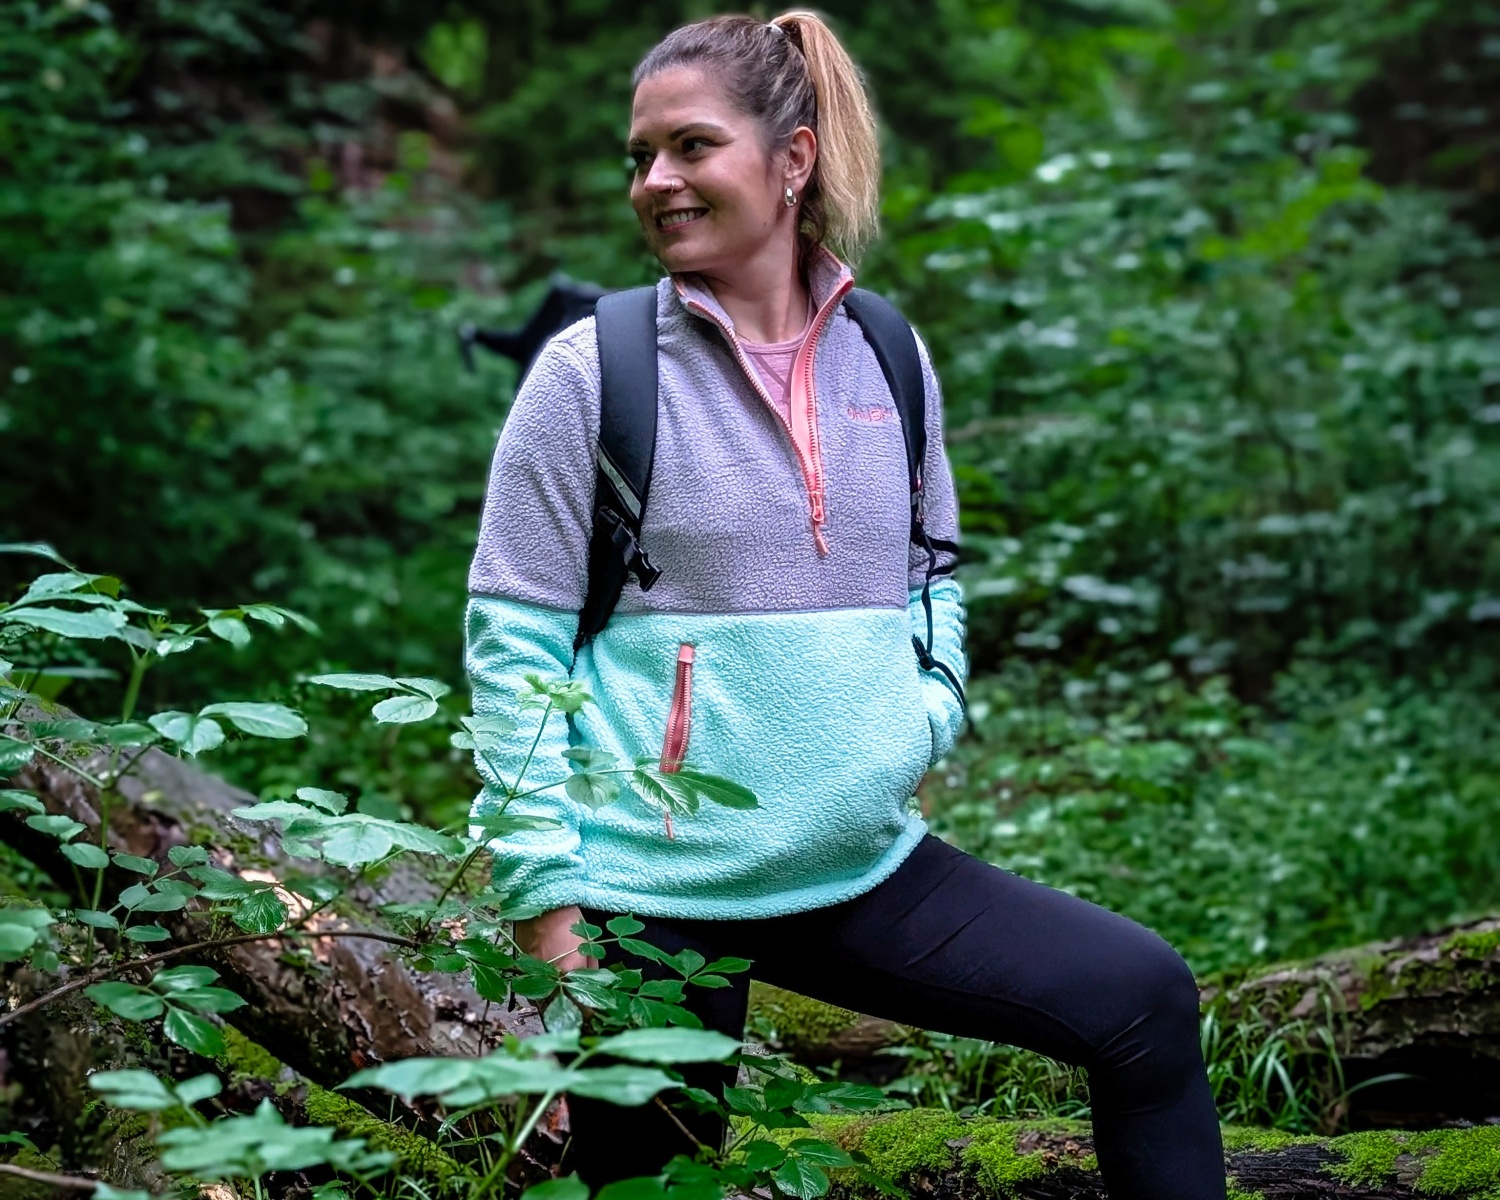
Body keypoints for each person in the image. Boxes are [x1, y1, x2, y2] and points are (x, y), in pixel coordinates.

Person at [465, 11, 1228, 1197]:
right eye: (640, 155)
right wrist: (547, 914)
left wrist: (923, 716)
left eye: (691, 146)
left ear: (793, 159)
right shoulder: (592, 371)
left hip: (860, 865)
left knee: (1143, 998)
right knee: (654, 1188)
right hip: (648, 895)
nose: (655, 180)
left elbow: (930, 569)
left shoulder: (888, 352)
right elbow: (513, 644)